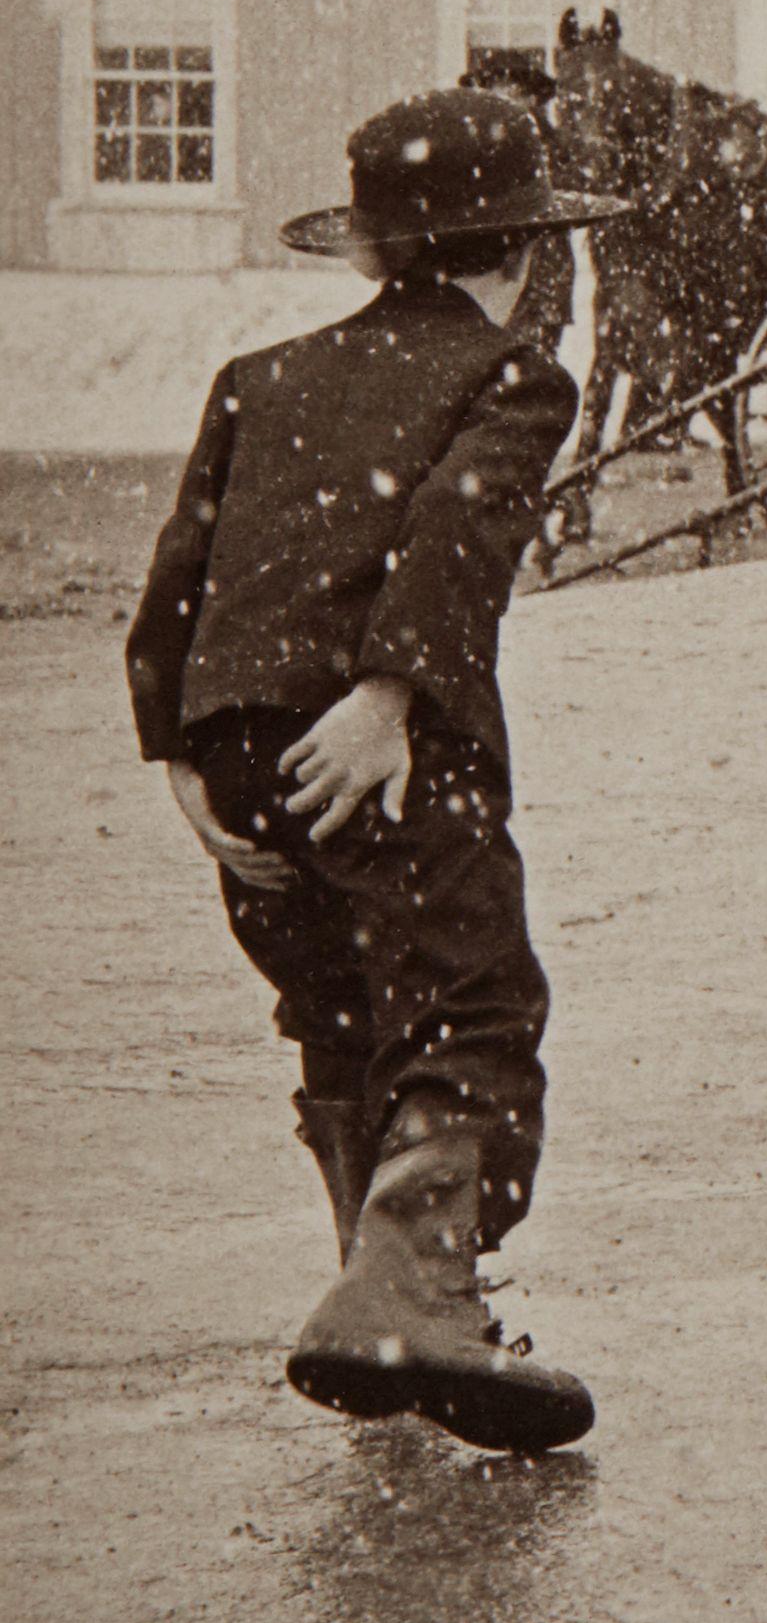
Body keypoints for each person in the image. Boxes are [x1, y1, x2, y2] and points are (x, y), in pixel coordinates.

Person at [128, 85, 627, 1452]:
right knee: (467, 1004)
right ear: (521, 257)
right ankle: (415, 1292)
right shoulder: (513, 377)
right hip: (379, 741)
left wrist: (183, 756)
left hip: (235, 753)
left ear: (363, 253)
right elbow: (458, 538)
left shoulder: (260, 379)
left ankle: (380, 1291)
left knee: (339, 1014)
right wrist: (387, 696)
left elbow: (181, 574)